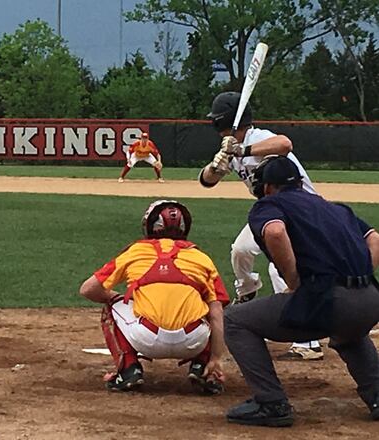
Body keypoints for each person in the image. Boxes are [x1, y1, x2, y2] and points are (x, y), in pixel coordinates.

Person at [224, 155, 379, 427]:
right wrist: (361, 273)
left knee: (234, 320)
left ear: (268, 186)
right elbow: (374, 239)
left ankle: (271, 403)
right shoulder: (333, 207)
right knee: (349, 333)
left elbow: (274, 231)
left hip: (329, 300)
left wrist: (294, 280)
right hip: (370, 299)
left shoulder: (269, 204)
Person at [199, 91, 323, 361]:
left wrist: (241, 150)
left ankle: (307, 341)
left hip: (302, 212)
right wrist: (216, 164)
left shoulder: (256, 138)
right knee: (240, 250)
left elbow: (285, 144)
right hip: (272, 213)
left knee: (280, 267)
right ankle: (247, 291)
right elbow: (207, 181)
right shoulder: (231, 147)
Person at [79, 200, 230, 394]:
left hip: (146, 338)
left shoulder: (136, 250)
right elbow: (217, 311)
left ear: (150, 226)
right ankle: (203, 368)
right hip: (194, 340)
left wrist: (121, 297)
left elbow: (88, 289)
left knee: (111, 305)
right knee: (208, 303)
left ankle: (128, 369)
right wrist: (217, 358)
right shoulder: (201, 257)